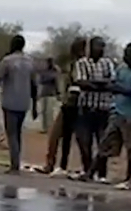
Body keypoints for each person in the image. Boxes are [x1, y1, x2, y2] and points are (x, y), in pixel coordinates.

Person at [37, 38, 87, 177]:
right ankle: (55, 164)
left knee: (73, 137)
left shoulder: (81, 65)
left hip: (75, 104)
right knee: (61, 136)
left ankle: (60, 165)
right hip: (69, 102)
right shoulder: (72, 65)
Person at [87, 43, 131, 189]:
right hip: (117, 111)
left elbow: (120, 88)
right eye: (125, 53)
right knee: (105, 144)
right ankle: (90, 173)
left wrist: (119, 88)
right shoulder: (121, 69)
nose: (126, 56)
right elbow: (112, 85)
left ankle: (128, 180)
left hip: (129, 115)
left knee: (130, 148)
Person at [0, 35, 38, 174]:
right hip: (24, 102)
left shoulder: (7, 61)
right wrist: (35, 104)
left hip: (10, 101)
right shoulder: (30, 61)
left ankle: (14, 165)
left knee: (11, 133)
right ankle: (16, 161)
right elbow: (34, 85)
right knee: (18, 133)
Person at [73, 36, 115, 182]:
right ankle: (87, 170)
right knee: (85, 142)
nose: (101, 49)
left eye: (103, 46)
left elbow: (112, 83)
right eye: (98, 46)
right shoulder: (82, 63)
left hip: (103, 108)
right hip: (86, 108)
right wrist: (100, 84)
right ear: (91, 47)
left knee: (102, 142)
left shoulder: (107, 63)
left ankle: (102, 174)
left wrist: (93, 84)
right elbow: (81, 82)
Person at [38, 57, 61, 134]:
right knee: (44, 111)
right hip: (44, 92)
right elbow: (41, 80)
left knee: (49, 112)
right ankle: (44, 127)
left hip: (51, 93)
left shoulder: (54, 71)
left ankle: (49, 127)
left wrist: (58, 93)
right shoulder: (45, 71)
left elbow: (56, 83)